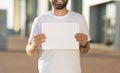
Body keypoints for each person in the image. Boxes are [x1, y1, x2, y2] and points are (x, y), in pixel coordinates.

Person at [26, 0, 91, 73]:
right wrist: (34, 45)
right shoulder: (39, 20)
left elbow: (85, 50)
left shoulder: (80, 19)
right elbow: (29, 51)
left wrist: (84, 45)